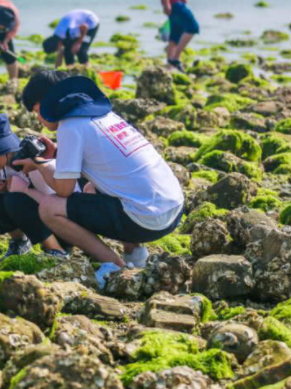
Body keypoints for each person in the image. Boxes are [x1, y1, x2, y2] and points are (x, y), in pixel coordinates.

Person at [18, 71, 184, 288]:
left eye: (37, 112)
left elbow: (64, 190)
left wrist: (39, 164)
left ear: (48, 103)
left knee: (49, 208)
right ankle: (135, 254)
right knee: (91, 188)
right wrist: (59, 152)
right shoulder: (104, 116)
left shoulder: (70, 126)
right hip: (173, 208)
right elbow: (102, 158)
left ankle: (114, 266)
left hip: (146, 220)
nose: (39, 120)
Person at [0, 113, 69, 258]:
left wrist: (21, 188)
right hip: (38, 221)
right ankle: (20, 242)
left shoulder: (31, 163)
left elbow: (52, 200)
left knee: (14, 201)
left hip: (62, 223)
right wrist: (0, 190)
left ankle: (56, 250)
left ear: (5, 149)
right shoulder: (1, 167)